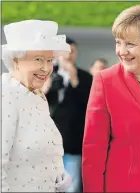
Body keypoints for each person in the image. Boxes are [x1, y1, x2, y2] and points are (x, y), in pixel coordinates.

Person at [82, 5, 140, 192]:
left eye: (130, 44)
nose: (121, 51)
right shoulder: (105, 81)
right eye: (118, 42)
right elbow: (93, 150)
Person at [1, 19, 72, 192]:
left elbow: (34, 150)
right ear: (16, 59)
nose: (46, 68)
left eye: (49, 60)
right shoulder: (6, 94)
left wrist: (58, 172)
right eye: (38, 59)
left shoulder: (37, 95)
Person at [44, 37, 92, 192]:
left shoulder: (85, 77)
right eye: (65, 52)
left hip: (73, 141)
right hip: (49, 143)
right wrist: (46, 87)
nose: (69, 56)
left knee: (72, 186)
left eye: (73, 52)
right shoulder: (47, 75)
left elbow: (89, 105)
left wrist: (74, 80)